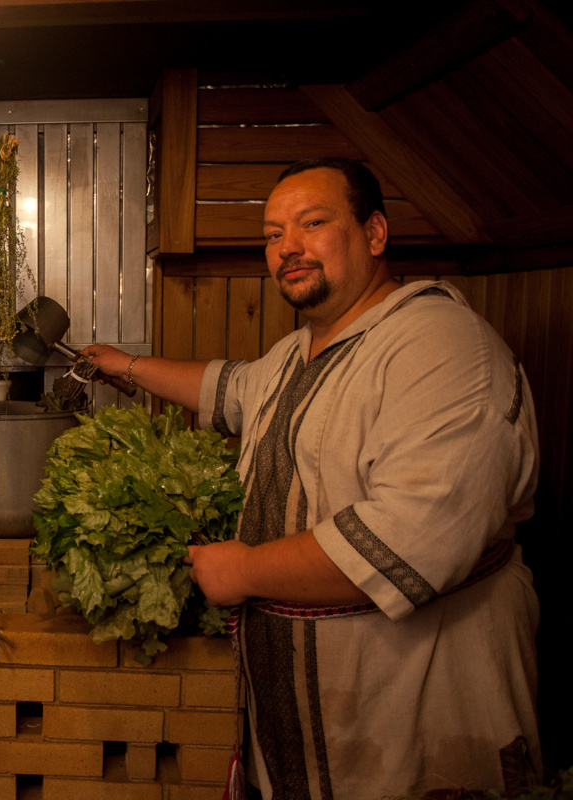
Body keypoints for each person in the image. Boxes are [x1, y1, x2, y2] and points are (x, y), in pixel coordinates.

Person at [83, 158, 541, 798]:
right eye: (273, 235)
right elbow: (231, 388)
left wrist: (241, 571)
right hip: (306, 724)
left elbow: (408, 536)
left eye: (313, 223)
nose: (287, 248)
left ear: (374, 233)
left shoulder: (442, 349)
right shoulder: (303, 349)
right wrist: (124, 365)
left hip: (414, 713)